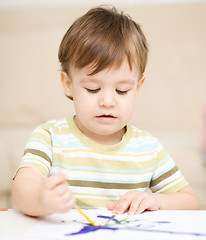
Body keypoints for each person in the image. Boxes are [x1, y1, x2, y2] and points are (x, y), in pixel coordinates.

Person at [12, 6, 199, 217]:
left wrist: (156, 199)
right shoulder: (50, 137)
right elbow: (22, 189)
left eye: (122, 90)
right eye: (93, 89)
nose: (108, 102)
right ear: (67, 83)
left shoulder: (148, 149)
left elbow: (190, 201)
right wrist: (41, 200)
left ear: (138, 86)